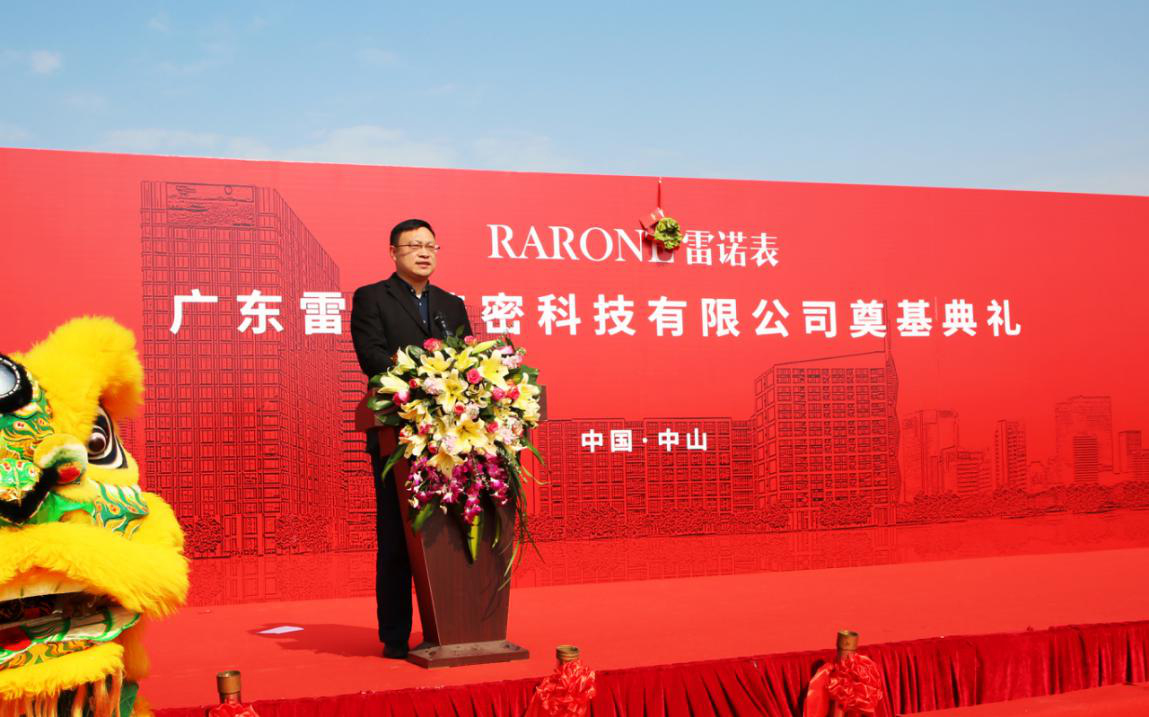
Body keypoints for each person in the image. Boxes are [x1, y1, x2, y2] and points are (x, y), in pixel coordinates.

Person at [349, 218, 472, 659]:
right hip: (398, 434)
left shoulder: (451, 304)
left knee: (451, 531)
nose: (424, 252)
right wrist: (426, 380)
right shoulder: (371, 297)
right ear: (394, 252)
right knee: (398, 535)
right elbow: (371, 356)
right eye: (414, 245)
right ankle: (396, 634)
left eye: (430, 246)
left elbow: (467, 359)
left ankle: (455, 625)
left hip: (451, 438)